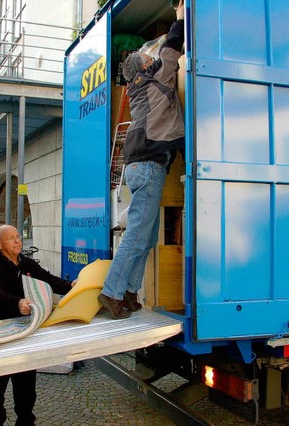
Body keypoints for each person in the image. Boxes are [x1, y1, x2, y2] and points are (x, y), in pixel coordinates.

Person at [99, 1, 185, 319]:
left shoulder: (139, 86)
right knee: (137, 233)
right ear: (144, 67)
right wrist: (179, 15)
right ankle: (112, 292)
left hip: (141, 166)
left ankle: (130, 291)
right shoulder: (155, 81)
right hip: (148, 166)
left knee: (146, 235)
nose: (153, 56)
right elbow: (173, 47)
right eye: (149, 57)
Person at [0, 224, 75, 426]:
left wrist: (71, 287)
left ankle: (25, 421)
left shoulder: (27, 263)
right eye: (11, 238)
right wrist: (17, 302)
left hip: (26, 332)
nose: (17, 241)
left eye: (18, 237)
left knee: (26, 386)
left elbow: (48, 280)